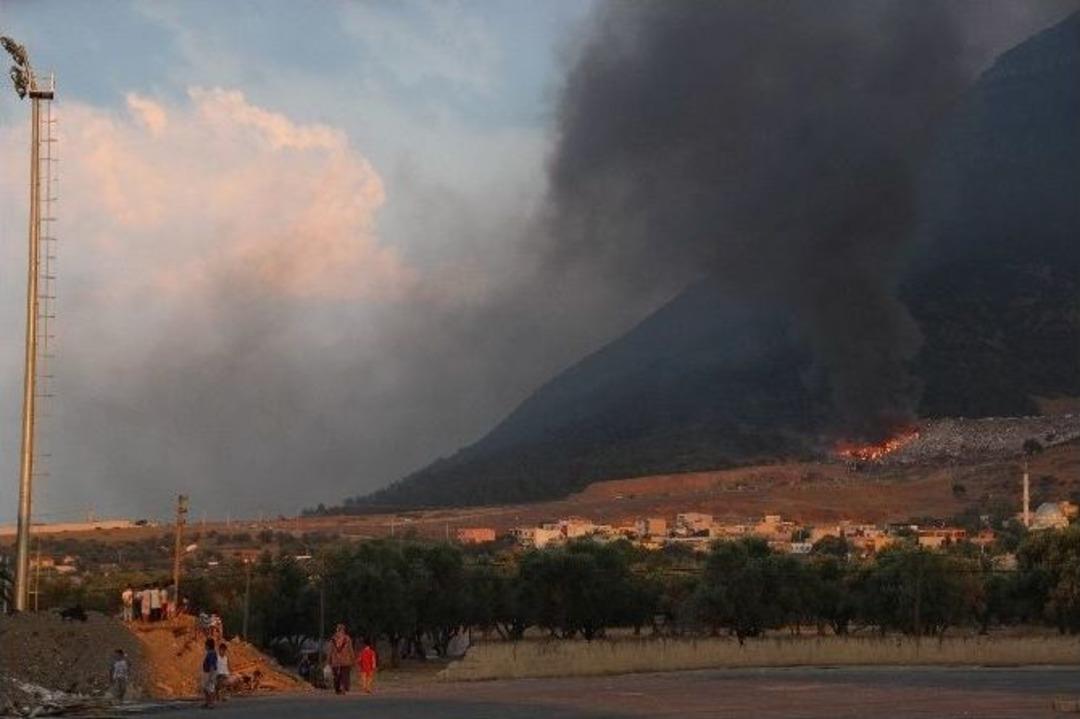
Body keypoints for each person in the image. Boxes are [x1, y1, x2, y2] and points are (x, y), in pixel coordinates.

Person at [327, 624, 355, 695]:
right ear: (344, 630)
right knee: (345, 675)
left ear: (337, 630)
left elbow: (330, 650)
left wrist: (329, 660)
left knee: (336, 675)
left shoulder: (332, 639)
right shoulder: (347, 639)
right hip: (346, 660)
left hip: (335, 660)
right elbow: (350, 649)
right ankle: (343, 687)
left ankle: (337, 689)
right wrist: (353, 659)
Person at [201, 638, 218, 709]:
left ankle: (211, 703)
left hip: (210, 673)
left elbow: (212, 665)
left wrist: (211, 676)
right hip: (207, 672)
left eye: (205, 645)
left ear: (208, 646)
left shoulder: (211, 653)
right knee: (205, 688)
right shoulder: (210, 653)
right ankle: (207, 702)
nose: (205, 646)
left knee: (210, 688)